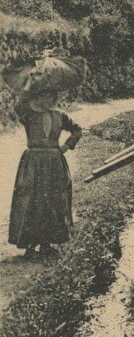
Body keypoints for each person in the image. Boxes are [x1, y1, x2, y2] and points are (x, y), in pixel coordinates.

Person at [8, 87, 82, 257]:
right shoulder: (29, 115)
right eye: (42, 96)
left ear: (53, 98)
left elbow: (77, 129)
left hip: (55, 163)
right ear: (37, 97)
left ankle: (46, 243)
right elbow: (19, 106)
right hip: (33, 161)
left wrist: (66, 145)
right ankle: (30, 245)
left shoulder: (59, 116)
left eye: (50, 96)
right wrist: (28, 87)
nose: (46, 100)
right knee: (31, 199)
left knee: (52, 199)